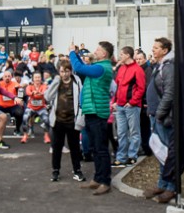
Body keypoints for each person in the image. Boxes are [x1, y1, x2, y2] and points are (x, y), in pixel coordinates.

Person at [68, 40, 114, 196]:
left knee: (101, 149)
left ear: (104, 53)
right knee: (95, 148)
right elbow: (83, 67)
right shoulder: (99, 67)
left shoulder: (101, 68)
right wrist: (76, 55)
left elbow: (79, 68)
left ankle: (105, 181)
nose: (95, 51)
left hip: (97, 112)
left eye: (98, 49)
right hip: (92, 111)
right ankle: (98, 178)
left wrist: (72, 52)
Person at [143, 37, 181, 204]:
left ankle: (171, 187)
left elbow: (169, 93)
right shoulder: (161, 65)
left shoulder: (168, 67)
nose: (153, 50)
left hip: (165, 117)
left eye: (156, 47)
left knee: (168, 153)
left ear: (165, 50)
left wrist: (159, 113)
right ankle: (162, 184)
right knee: (160, 152)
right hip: (157, 115)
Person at [45, 60, 86, 182]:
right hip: (58, 120)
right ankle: (55, 170)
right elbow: (47, 97)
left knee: (74, 147)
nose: (64, 74)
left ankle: (77, 170)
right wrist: (56, 81)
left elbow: (81, 99)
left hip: (72, 120)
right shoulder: (57, 82)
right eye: (62, 71)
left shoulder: (76, 81)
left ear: (71, 71)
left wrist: (81, 117)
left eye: (67, 71)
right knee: (57, 147)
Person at [111, 46, 146, 167]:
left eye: (121, 54)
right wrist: (115, 101)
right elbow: (118, 86)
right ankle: (121, 157)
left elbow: (141, 88)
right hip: (121, 105)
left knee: (133, 132)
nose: (120, 56)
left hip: (131, 106)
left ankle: (132, 156)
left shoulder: (137, 70)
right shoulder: (122, 68)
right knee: (121, 133)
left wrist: (132, 102)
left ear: (127, 55)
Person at [20, 72, 50, 143]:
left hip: (41, 107)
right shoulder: (29, 86)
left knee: (46, 119)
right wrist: (33, 93)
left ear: (41, 78)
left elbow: (44, 92)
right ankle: (25, 135)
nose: (37, 79)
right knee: (25, 118)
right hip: (31, 107)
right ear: (33, 79)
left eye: (39, 77)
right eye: (36, 77)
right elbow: (28, 92)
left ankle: (46, 135)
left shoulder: (44, 86)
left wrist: (36, 93)